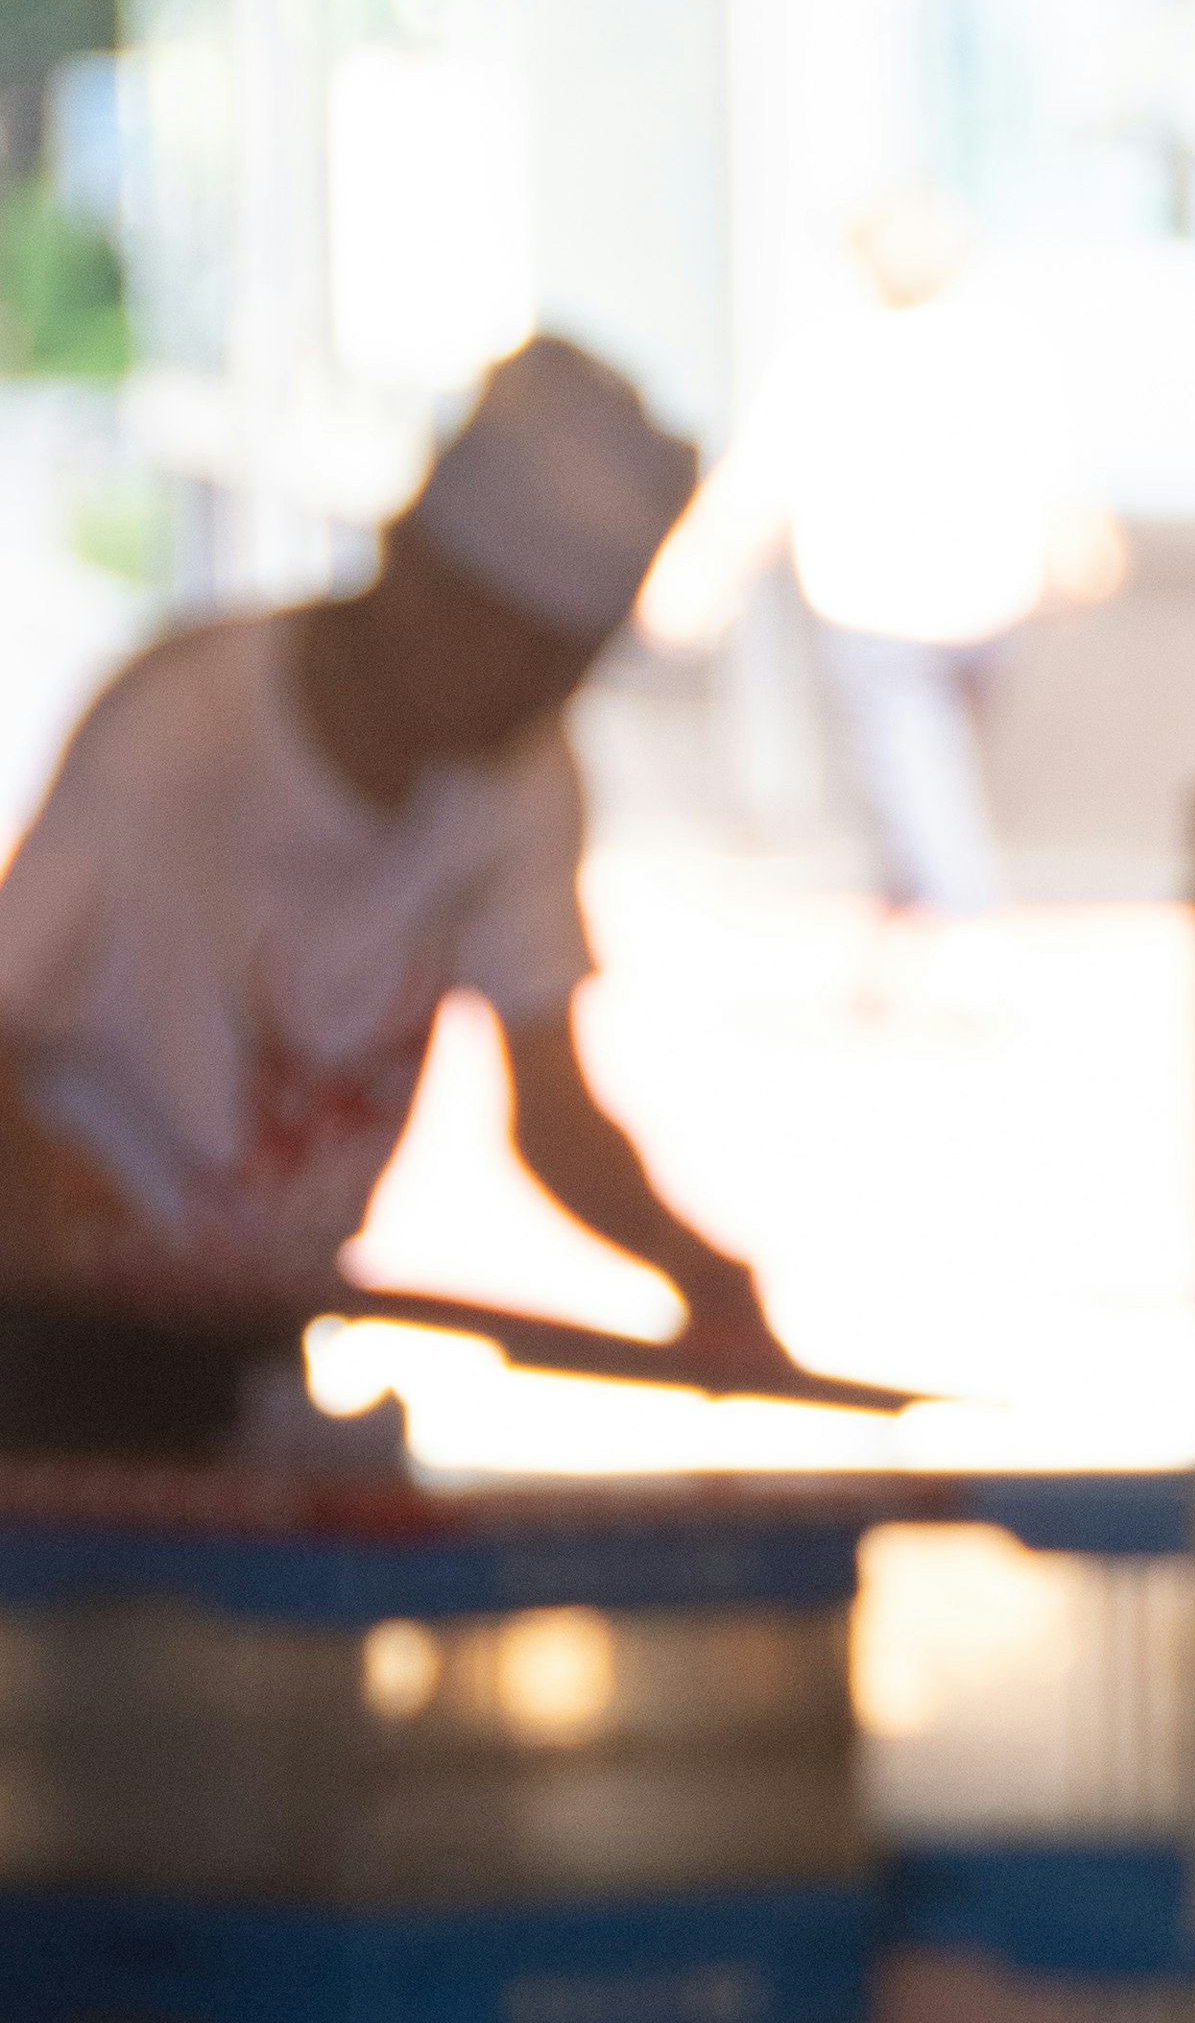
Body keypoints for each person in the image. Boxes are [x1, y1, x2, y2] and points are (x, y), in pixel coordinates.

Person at [0, 332, 804, 1459]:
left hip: (253, 1327)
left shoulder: (523, 781)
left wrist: (698, 1272)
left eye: (562, 670)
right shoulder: (177, 736)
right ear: (409, 564)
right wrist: (45, 1196)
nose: (527, 699)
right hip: (46, 1337)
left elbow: (550, 1110)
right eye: (512, 650)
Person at [643, 190, 1125, 918]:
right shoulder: (994, 350)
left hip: (893, 613)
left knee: (920, 782)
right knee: (922, 777)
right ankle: (905, 942)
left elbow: (754, 492)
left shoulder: (841, 357)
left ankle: (965, 925)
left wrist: (695, 575)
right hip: (968, 610)